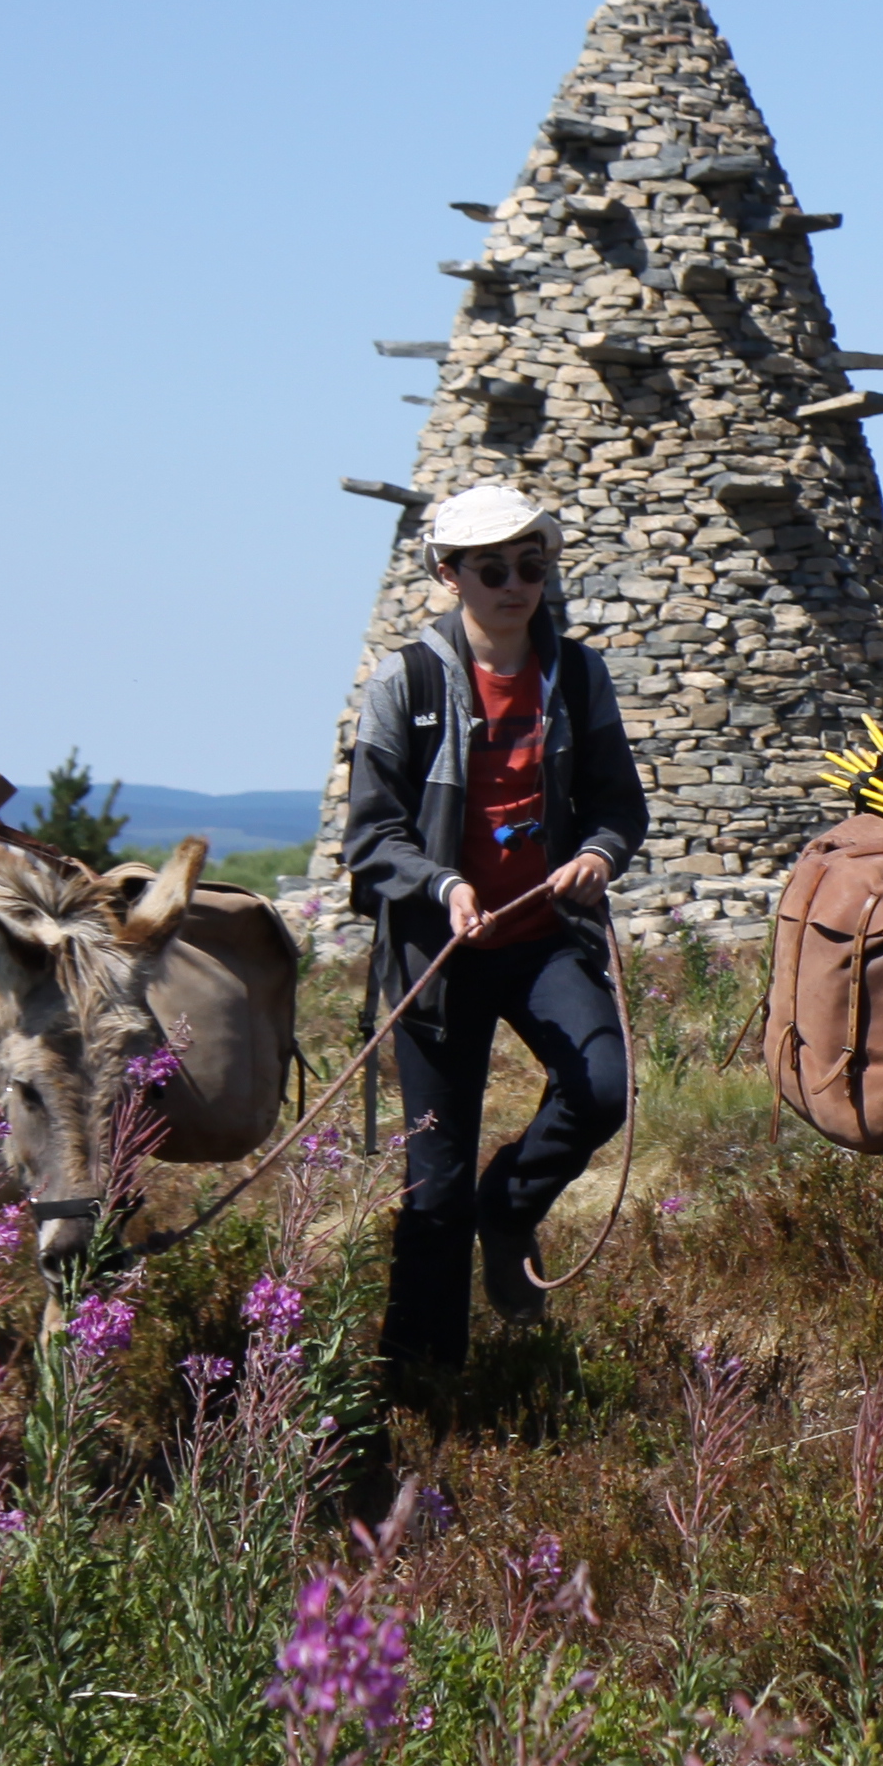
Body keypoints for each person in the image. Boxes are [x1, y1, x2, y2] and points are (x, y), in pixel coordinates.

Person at [336, 484, 647, 1391]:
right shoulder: (406, 680)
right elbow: (369, 835)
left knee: (602, 1090)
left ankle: (507, 1211)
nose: (517, 584)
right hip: (435, 958)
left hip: (546, 938)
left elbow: (619, 806)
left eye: (531, 565)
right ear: (449, 575)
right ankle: (422, 1389)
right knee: (430, 1185)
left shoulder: (580, 675)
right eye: (493, 568)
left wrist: (597, 853)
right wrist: (442, 883)